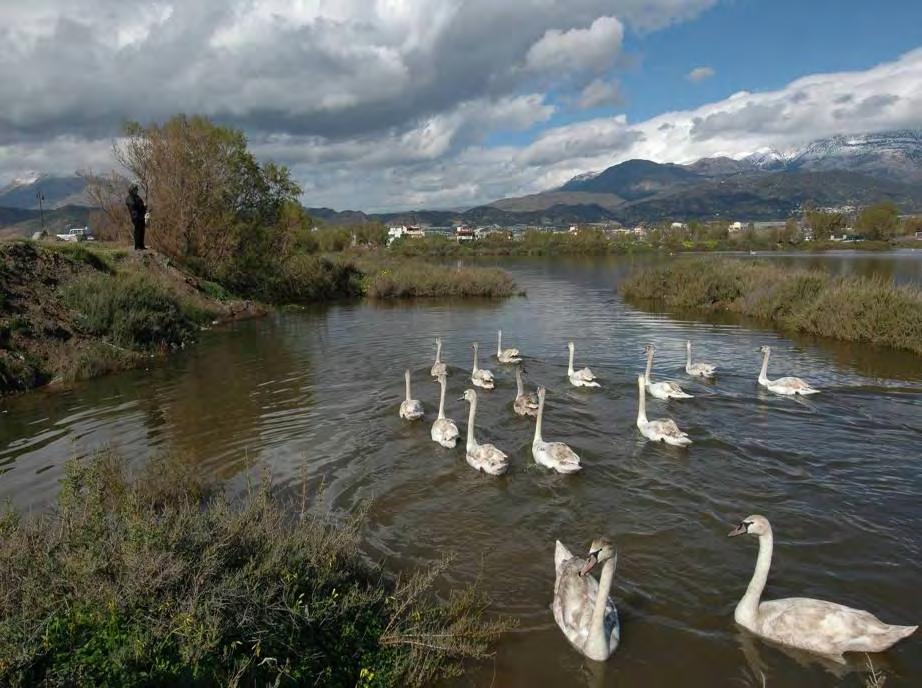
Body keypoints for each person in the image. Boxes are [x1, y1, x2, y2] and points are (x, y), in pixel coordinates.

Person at [126, 184, 147, 250]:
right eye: (135, 189)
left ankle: (141, 245)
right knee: (137, 231)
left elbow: (140, 204)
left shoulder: (137, 197)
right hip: (136, 216)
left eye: (137, 189)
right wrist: (141, 206)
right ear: (132, 190)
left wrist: (144, 207)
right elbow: (133, 205)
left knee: (142, 230)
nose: (137, 191)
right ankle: (137, 246)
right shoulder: (129, 198)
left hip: (141, 216)